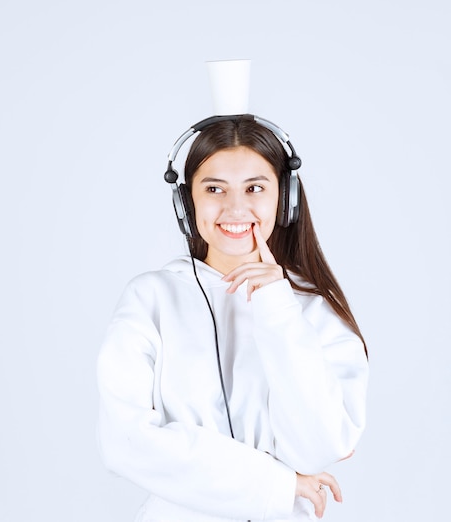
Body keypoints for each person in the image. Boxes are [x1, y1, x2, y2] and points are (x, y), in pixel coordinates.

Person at [97, 114, 368, 522]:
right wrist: (280, 485)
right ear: (188, 201)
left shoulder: (312, 309)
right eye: (214, 188)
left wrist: (277, 308)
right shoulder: (150, 298)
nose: (235, 207)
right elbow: (126, 441)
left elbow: (319, 446)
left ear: (285, 197)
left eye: (255, 187)